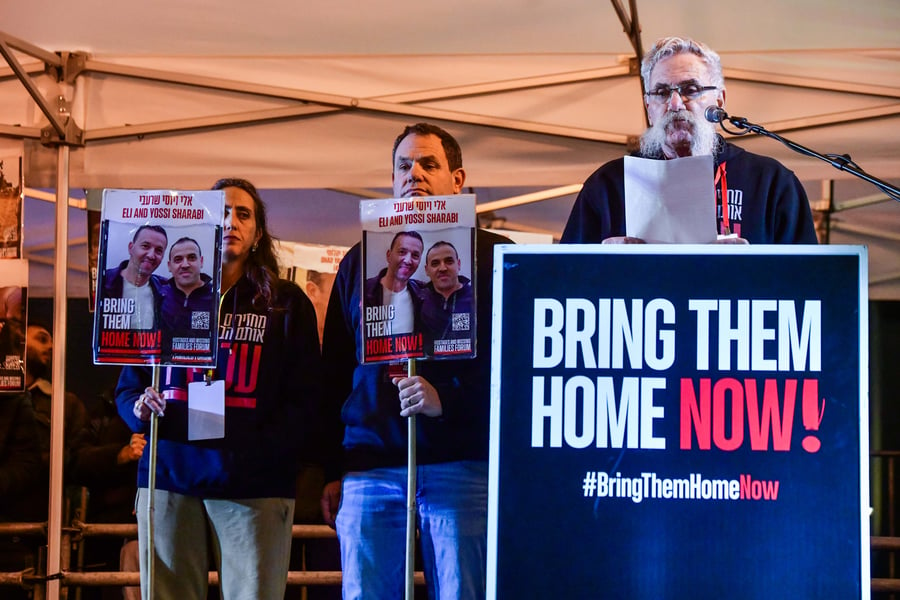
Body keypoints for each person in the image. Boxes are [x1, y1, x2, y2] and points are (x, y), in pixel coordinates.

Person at [321, 122, 512, 599]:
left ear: (458, 179)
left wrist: (447, 399)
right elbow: (334, 372)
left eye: (429, 164)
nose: (415, 174)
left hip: (462, 464)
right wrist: (330, 467)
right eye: (403, 166)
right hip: (371, 467)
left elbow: (515, 369)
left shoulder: (496, 258)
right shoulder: (357, 263)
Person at [115, 177, 322, 600]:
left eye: (243, 213)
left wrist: (262, 450)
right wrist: (138, 410)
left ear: (258, 233)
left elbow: (306, 398)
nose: (231, 221)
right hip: (170, 477)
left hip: (253, 483)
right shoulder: (156, 298)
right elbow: (128, 388)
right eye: (222, 211)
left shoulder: (284, 302)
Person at [561, 36, 818, 246]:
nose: (675, 104)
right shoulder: (608, 186)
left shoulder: (772, 183)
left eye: (690, 90)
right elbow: (561, 281)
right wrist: (598, 262)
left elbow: (810, 287)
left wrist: (752, 267)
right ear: (649, 108)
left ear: (719, 101)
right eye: (662, 92)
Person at [101, 225, 168, 329]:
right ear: (131, 247)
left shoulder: (166, 290)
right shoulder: (103, 282)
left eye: (158, 251)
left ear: (163, 257)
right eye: (145, 246)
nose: (151, 255)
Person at [159, 236, 215, 361]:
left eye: (191, 258)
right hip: (164, 374)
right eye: (178, 259)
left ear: (201, 261)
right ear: (169, 266)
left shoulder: (217, 298)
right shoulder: (158, 296)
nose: (185, 264)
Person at [364, 230, 425, 336]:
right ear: (389, 255)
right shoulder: (364, 290)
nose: (407, 260)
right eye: (402, 252)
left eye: (415, 255)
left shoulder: (423, 294)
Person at [419, 241, 473, 355]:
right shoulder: (417, 300)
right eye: (435, 263)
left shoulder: (476, 298)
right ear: (427, 270)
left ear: (458, 264)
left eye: (449, 261)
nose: (442, 268)